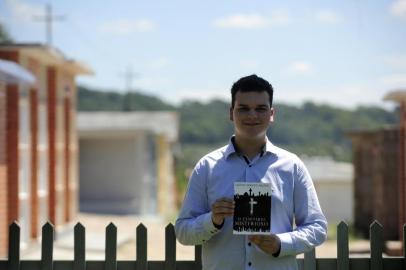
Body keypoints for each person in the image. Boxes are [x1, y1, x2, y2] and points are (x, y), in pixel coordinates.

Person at [175, 74, 327, 270]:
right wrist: (212, 220)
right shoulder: (207, 167)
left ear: (271, 114)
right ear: (231, 113)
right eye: (244, 108)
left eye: (260, 109)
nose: (252, 115)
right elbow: (182, 232)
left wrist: (281, 244)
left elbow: (317, 228)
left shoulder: (292, 166)